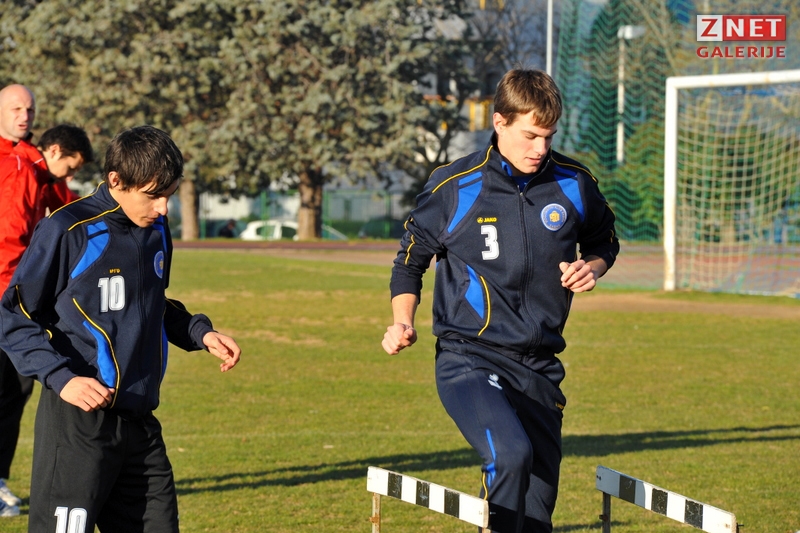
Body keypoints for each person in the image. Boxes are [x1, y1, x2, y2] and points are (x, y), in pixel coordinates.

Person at [381, 69, 619, 533]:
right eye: (530, 135)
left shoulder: (575, 182)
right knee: (509, 454)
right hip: (469, 358)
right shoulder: (456, 186)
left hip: (541, 368)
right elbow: (409, 261)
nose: (540, 148)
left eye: (549, 137)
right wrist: (401, 321)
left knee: (535, 513)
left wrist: (592, 266)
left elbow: (604, 240)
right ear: (500, 122)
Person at [0, 125, 242, 532]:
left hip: (140, 425)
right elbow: (14, 316)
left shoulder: (156, 231)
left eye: (169, 195)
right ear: (116, 180)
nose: (163, 208)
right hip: (78, 425)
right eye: (153, 195)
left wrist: (199, 332)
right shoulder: (68, 229)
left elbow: (151, 304)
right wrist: (62, 378)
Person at [0, 121, 93, 518]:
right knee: (9, 392)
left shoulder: (38, 173)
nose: (69, 178)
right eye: (70, 168)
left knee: (14, 391)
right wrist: (16, 303)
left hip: (15, 301)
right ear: (54, 151)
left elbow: (72, 210)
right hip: (10, 302)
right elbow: (11, 241)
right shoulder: (22, 169)